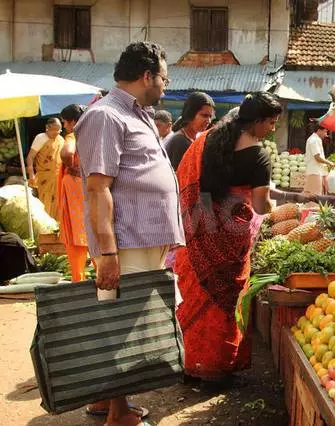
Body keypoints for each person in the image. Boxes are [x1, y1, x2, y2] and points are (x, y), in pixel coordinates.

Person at [75, 41, 182, 426]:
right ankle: (118, 415)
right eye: (164, 78)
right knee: (124, 324)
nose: (166, 87)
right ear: (147, 75)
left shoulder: (139, 114)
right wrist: (108, 253)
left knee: (124, 319)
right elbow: (97, 188)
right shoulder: (105, 116)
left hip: (143, 238)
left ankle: (107, 402)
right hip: (126, 241)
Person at [173, 92, 309, 385]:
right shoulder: (259, 156)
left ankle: (189, 362)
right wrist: (277, 206)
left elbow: (188, 183)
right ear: (258, 121)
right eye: (271, 122)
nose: (272, 128)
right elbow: (261, 207)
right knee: (225, 302)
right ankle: (217, 367)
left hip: (199, 230)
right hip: (231, 237)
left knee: (196, 298)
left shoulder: (207, 141)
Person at [57, 104, 89, 282]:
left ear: (72, 122)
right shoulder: (91, 134)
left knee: (75, 231)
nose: (64, 126)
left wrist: (71, 166)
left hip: (74, 187)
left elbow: (67, 151)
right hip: (89, 184)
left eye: (64, 122)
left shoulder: (73, 135)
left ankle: (79, 279)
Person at [164, 92, 215, 170]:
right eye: (204, 115)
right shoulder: (180, 141)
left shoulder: (196, 138)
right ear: (190, 114)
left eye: (210, 116)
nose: (208, 121)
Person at [27, 118, 64, 219]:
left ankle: (58, 227)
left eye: (59, 130)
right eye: (54, 130)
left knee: (59, 202)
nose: (56, 133)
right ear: (47, 128)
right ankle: (47, 228)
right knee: (45, 202)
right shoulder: (40, 138)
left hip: (58, 176)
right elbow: (30, 157)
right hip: (44, 177)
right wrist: (31, 174)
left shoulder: (60, 139)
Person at [303, 122, 335, 195]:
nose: (326, 134)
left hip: (316, 171)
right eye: (325, 132)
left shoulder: (315, 139)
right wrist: (329, 163)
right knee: (314, 196)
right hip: (315, 172)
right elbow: (317, 157)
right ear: (319, 130)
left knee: (313, 196)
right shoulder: (314, 140)